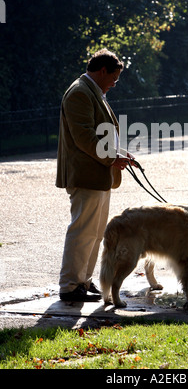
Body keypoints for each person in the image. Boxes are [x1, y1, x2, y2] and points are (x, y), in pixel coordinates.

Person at [56, 48, 135, 302]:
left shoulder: (92, 91)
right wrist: (113, 158)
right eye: (114, 77)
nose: (114, 83)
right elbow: (85, 139)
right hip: (86, 175)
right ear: (102, 71)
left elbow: (101, 135)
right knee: (82, 231)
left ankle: (83, 281)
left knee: (95, 232)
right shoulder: (80, 92)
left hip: (98, 175)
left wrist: (120, 153)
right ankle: (70, 286)